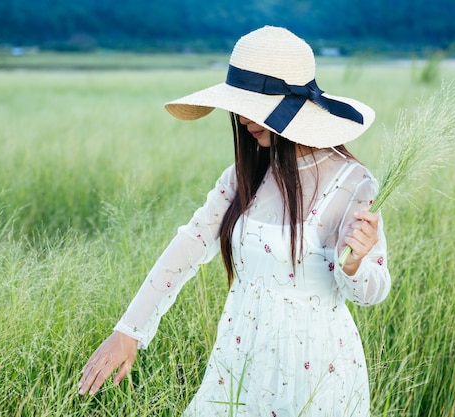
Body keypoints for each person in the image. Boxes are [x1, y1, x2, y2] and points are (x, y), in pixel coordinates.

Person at [78, 26, 391, 416]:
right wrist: (129, 331)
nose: (242, 119)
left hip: (320, 371)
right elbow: (190, 244)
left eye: (252, 107)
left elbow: (371, 292)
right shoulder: (243, 175)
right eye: (238, 106)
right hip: (240, 358)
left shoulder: (352, 182)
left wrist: (356, 263)